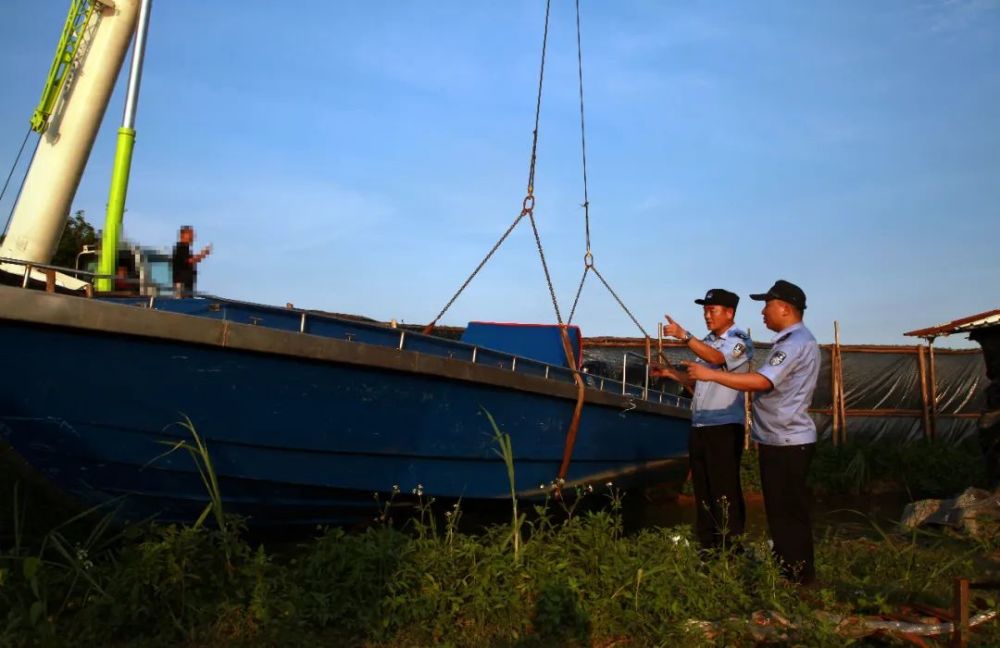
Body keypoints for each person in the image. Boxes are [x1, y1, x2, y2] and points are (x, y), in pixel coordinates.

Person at [682, 280, 820, 584]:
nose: (762, 312)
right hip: (774, 438)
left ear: (784, 307)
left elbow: (761, 381)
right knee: (779, 513)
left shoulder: (793, 343)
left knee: (786, 513)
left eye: (767, 305)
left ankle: (797, 578)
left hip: (787, 439)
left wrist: (705, 369)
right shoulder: (789, 342)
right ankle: (788, 573)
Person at [651, 288, 753, 551]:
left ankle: (732, 548)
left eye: (712, 310)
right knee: (703, 490)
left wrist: (685, 336)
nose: (707, 315)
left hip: (724, 426)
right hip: (700, 425)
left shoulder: (739, 339)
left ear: (729, 313)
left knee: (725, 491)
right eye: (705, 310)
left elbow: (718, 359)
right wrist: (672, 374)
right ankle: (707, 547)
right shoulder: (707, 341)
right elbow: (698, 379)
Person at [172, 226, 211, 297]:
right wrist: (202, 254)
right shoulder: (181, 248)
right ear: (183, 235)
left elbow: (191, 261)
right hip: (182, 286)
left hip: (187, 285)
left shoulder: (184, 248)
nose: (192, 236)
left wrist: (201, 255)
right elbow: (189, 261)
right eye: (190, 234)